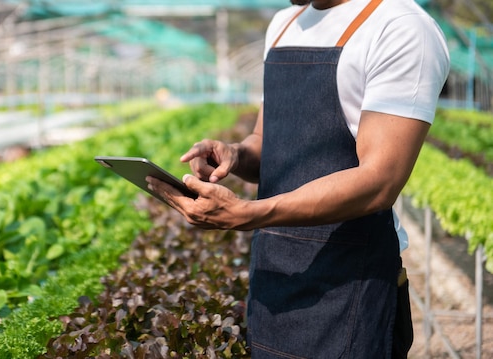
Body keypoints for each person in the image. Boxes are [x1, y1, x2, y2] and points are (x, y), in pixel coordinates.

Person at [146, 0, 450, 357]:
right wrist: (236, 154)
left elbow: (379, 181)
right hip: (274, 276)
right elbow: (265, 143)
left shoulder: (399, 26)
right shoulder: (284, 25)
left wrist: (248, 214)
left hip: (349, 283)